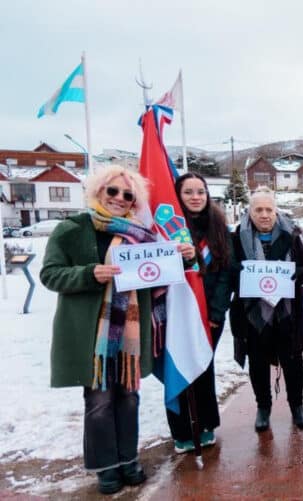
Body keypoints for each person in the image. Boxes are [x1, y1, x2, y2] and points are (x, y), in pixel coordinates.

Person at [40, 166, 190, 494]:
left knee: (129, 398)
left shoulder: (145, 236)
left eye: (128, 194)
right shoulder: (72, 229)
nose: (120, 199)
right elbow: (50, 274)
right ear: (97, 191)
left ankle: (127, 460)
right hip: (92, 337)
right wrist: (90, 273)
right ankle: (105, 466)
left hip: (130, 337)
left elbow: (156, 278)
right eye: (113, 192)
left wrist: (182, 259)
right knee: (99, 401)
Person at [229, 186, 303, 432]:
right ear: (250, 212)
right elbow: (230, 272)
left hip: (287, 312)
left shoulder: (293, 236)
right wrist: (246, 276)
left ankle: (297, 406)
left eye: (269, 210)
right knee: (257, 362)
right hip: (252, 313)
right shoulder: (236, 238)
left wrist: (290, 275)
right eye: (259, 210)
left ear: (276, 212)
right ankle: (263, 407)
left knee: (293, 361)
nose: (264, 215)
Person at [166, 173, 233, 453]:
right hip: (179, 312)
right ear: (177, 196)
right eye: (188, 192)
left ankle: (206, 424)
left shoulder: (219, 229)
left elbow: (228, 272)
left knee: (204, 367)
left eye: (201, 192)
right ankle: (181, 429)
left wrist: (216, 312)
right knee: (179, 366)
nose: (196, 197)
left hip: (211, 315)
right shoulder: (169, 231)